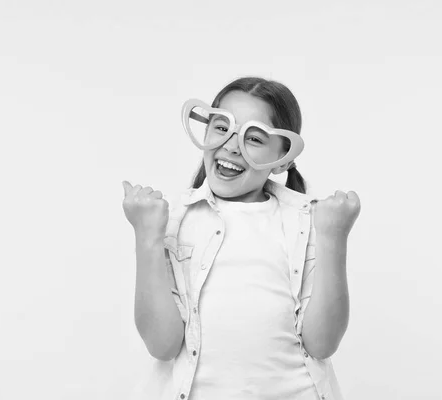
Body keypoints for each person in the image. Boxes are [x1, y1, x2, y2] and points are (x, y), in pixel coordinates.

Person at [122, 77, 361, 400]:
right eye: (222, 128)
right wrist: (147, 238)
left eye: (255, 138)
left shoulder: (308, 220)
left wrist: (334, 239)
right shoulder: (173, 219)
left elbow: (322, 343)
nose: (232, 146)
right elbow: (162, 345)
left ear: (284, 159)